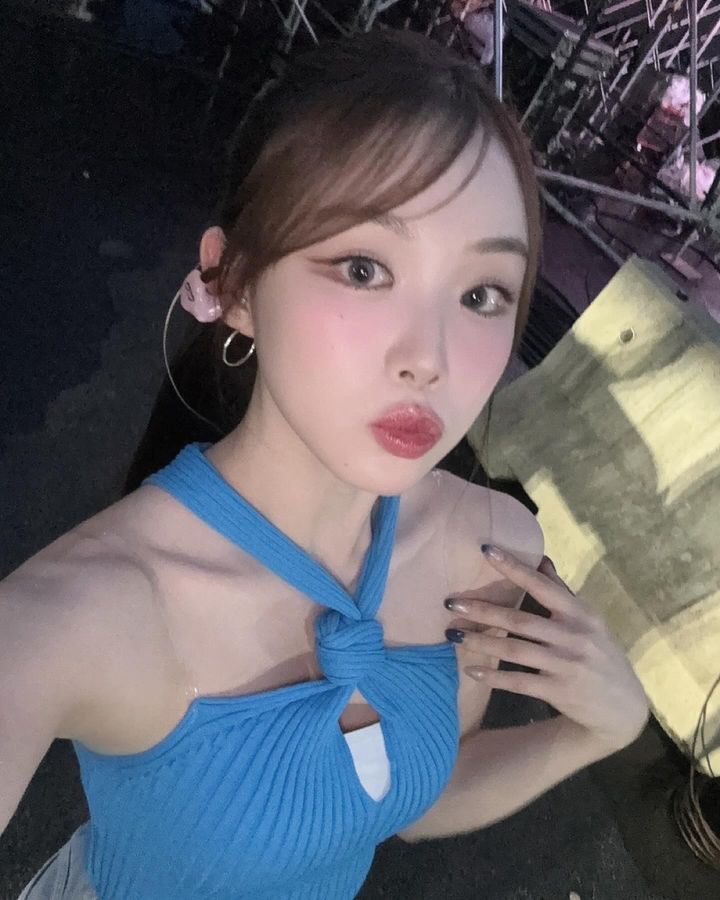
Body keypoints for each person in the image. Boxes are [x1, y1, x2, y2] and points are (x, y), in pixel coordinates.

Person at [2, 28, 649, 900]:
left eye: (481, 293)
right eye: (364, 268)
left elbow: (405, 798)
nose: (430, 358)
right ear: (234, 285)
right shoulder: (80, 617)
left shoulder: (491, 549)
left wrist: (595, 732)